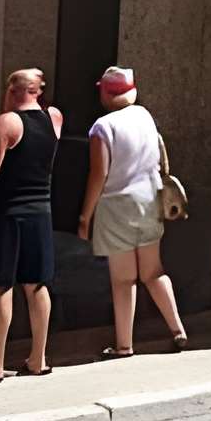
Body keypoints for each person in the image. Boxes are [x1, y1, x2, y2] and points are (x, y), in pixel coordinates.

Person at [76, 65, 187, 357]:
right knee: (154, 271)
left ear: (106, 92)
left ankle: (124, 345)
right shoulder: (144, 116)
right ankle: (178, 329)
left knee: (124, 280)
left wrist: (85, 216)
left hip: (117, 207)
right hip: (150, 200)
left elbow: (98, 174)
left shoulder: (102, 127)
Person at [0, 67, 62, 383]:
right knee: (37, 284)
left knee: (0, 287)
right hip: (41, 210)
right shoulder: (55, 118)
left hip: (7, 212)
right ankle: (39, 358)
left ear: (11, 91)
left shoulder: (7, 121)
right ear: (38, 91)